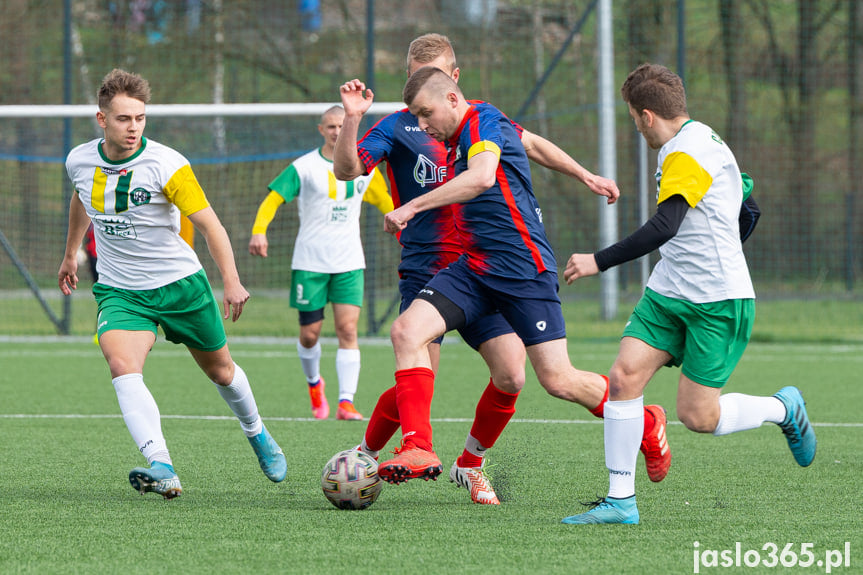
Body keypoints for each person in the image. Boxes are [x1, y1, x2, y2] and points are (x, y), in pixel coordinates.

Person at [335, 34, 670, 505]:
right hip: (463, 268)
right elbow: (348, 170)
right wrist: (353, 120)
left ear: (454, 83)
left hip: (519, 271)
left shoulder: (483, 119)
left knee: (546, 379)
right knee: (407, 335)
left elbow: (487, 174)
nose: (421, 123)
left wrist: (412, 208)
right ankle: (413, 448)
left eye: (426, 110)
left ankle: (645, 421)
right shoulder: (417, 129)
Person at [560, 63, 815, 525]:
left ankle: (783, 408)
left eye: (634, 119)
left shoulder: (686, 152)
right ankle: (621, 501)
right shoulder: (701, 139)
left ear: (647, 114)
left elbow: (665, 226)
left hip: (717, 302)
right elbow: (748, 203)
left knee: (699, 416)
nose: (636, 128)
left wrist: (597, 261)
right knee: (623, 378)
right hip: (669, 291)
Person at [57, 69, 287, 500]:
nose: (133, 127)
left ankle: (256, 432)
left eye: (140, 118)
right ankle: (161, 465)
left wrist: (232, 282)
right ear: (101, 119)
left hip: (180, 286)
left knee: (222, 372)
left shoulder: (167, 164)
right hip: (121, 291)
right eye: (124, 118)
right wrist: (71, 253)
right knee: (122, 365)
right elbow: (81, 197)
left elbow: (211, 226)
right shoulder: (78, 160)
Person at [249, 105, 393, 421]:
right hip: (310, 262)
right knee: (310, 335)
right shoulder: (304, 167)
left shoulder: (366, 167)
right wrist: (259, 231)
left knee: (347, 329)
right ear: (321, 130)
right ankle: (315, 385)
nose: (337, 131)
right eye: (331, 126)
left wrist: (403, 226)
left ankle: (346, 402)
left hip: (350, 261)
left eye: (343, 125)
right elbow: (272, 199)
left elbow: (388, 203)